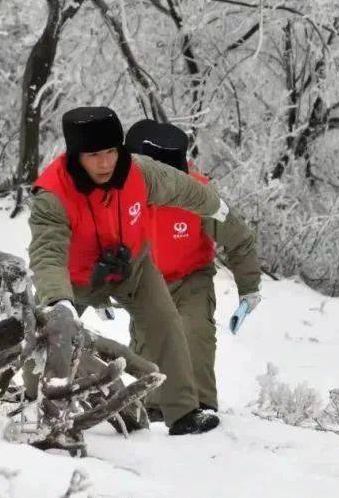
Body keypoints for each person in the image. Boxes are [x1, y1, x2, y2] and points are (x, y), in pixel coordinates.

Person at [28, 106, 229, 436]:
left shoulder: (139, 171)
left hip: (133, 267)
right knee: (46, 337)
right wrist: (57, 301)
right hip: (74, 277)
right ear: (76, 155)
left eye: (111, 151)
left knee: (166, 324)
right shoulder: (52, 195)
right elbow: (47, 254)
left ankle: (183, 413)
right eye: (94, 155)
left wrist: (214, 205)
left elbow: (181, 187)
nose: (106, 163)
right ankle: (28, 399)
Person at [124, 119, 262, 418]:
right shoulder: (121, 193)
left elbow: (239, 239)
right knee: (150, 339)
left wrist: (249, 288)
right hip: (144, 279)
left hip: (191, 278)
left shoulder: (199, 194)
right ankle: (152, 409)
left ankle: (199, 407)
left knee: (193, 331)